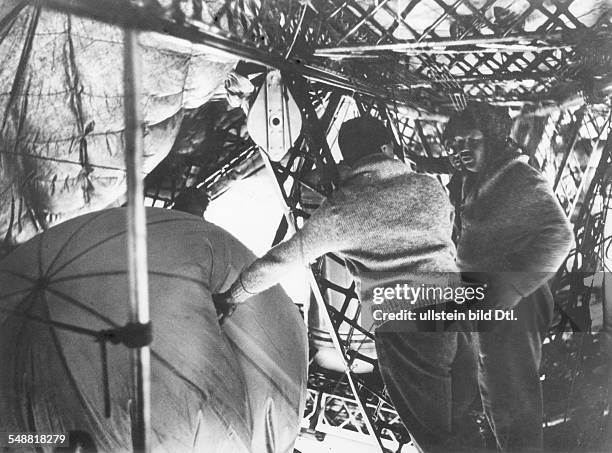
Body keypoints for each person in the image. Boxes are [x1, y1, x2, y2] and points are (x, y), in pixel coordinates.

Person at [213, 116, 480, 452]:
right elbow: (447, 229)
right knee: (463, 413)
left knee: (436, 434)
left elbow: (282, 260)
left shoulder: (343, 209)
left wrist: (235, 294)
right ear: (387, 148)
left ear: (346, 161)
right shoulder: (429, 187)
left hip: (408, 324)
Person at [443, 102, 574, 452]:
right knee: (493, 391)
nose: (462, 151)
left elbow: (560, 236)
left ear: (495, 139)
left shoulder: (519, 178)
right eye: (455, 144)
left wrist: (507, 288)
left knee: (512, 399)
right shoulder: (477, 178)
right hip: (487, 301)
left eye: (472, 141)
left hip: (513, 306)